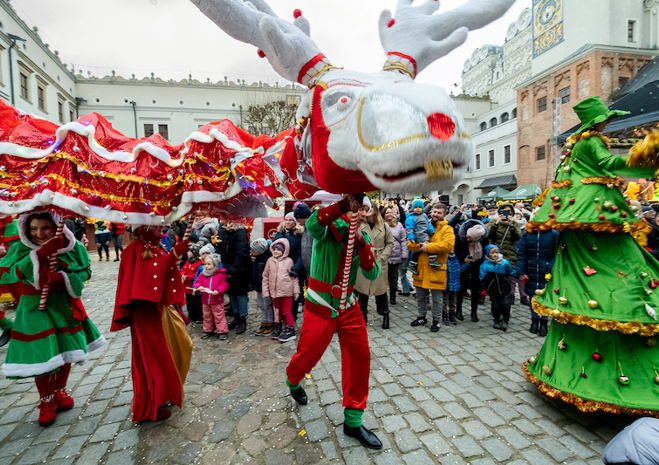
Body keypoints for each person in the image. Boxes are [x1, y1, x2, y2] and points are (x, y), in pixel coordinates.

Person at [523, 96, 659, 415]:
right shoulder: (592, 141)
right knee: (620, 266)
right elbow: (609, 164)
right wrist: (641, 158)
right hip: (595, 211)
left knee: (585, 271)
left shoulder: (573, 147)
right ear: (597, 121)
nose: (607, 123)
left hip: (582, 215)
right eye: (605, 119)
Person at [286, 194, 383, 449]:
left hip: (349, 308)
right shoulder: (328, 227)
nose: (361, 213)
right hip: (321, 306)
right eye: (357, 207)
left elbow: (373, 272)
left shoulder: (364, 236)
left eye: (365, 209)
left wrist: (362, 245)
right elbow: (312, 225)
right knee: (307, 355)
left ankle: (353, 421)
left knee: (360, 358)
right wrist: (341, 206)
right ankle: (292, 380)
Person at [0, 211, 106, 426]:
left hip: (62, 306)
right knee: (44, 354)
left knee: (64, 351)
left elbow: (85, 272)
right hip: (33, 309)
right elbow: (8, 274)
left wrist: (63, 278)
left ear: (57, 227)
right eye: (33, 228)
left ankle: (60, 390)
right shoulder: (20, 248)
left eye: (45, 228)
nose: (39, 234)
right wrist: (39, 255)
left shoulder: (73, 247)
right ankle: (46, 401)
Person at [112, 226, 193, 422]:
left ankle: (166, 392)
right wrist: (173, 255)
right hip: (147, 310)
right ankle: (149, 407)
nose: (161, 226)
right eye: (156, 223)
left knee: (178, 346)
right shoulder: (137, 248)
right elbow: (151, 277)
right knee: (153, 357)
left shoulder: (152, 246)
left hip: (160, 307)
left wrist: (173, 255)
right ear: (143, 227)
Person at [407, 203, 455, 332]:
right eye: (434, 212)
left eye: (439, 213)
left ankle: (436, 320)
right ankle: (421, 316)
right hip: (421, 267)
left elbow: (447, 245)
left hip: (436, 268)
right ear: (430, 212)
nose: (435, 214)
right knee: (420, 296)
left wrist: (428, 247)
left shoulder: (447, 229)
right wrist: (418, 246)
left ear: (444, 215)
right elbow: (410, 243)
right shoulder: (421, 222)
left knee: (437, 298)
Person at [516, 224, 559, 337]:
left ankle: (544, 321)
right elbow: (522, 253)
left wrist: (550, 266)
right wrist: (521, 271)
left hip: (547, 270)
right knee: (532, 295)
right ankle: (534, 320)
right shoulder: (527, 233)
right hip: (531, 269)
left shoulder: (553, 234)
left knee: (545, 295)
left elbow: (557, 252)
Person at [355, 206, 393, 329]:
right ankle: (363, 315)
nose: (366, 212)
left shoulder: (384, 226)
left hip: (378, 260)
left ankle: (386, 314)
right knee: (363, 290)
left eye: (369, 209)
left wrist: (382, 257)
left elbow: (390, 243)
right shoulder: (360, 225)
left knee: (381, 290)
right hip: (364, 259)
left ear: (375, 211)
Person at [263, 239, 300, 342]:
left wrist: (296, 291)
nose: (276, 251)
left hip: (286, 291)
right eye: (274, 249)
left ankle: (290, 329)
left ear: (284, 250)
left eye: (279, 249)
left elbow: (294, 277)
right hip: (275, 292)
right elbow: (265, 276)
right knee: (277, 311)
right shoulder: (270, 261)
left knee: (287, 311)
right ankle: (278, 327)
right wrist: (266, 291)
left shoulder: (289, 261)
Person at [218, 220, 251, 335]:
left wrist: (233, 270)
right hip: (229, 268)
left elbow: (242, 253)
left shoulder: (240, 232)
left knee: (240, 295)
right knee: (231, 293)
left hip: (240, 270)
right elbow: (224, 250)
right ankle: (236, 316)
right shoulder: (226, 231)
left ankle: (242, 318)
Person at [488, 202, 523, 304]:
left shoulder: (515, 224)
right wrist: (496, 223)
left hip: (510, 255)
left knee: (509, 280)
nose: (506, 214)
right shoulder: (494, 221)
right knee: (496, 279)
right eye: (504, 211)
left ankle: (507, 302)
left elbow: (517, 237)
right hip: (497, 255)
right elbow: (489, 234)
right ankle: (495, 303)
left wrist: (511, 225)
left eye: (509, 212)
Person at [455, 219, 488, 322]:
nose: (468, 239)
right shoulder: (460, 237)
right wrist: (464, 257)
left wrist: (478, 260)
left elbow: (485, 251)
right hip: (464, 265)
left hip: (477, 265)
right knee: (461, 288)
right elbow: (455, 249)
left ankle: (474, 312)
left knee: (475, 289)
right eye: (468, 237)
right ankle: (458, 310)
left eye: (471, 238)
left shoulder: (483, 238)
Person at [274, 212, 304, 320]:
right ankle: (281, 319)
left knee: (293, 296)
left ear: (295, 222)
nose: (287, 222)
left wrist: (296, 268)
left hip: (292, 269)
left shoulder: (298, 235)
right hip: (279, 269)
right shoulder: (279, 233)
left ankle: (292, 319)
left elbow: (300, 254)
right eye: (286, 219)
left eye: (290, 220)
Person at [194, 253, 230, 340]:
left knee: (219, 316)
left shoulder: (220, 274)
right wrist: (199, 287)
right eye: (205, 264)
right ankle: (208, 329)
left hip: (217, 300)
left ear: (215, 265)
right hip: (205, 300)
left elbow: (225, 284)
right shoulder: (202, 274)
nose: (206, 266)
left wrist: (218, 290)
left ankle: (222, 330)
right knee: (207, 316)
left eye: (209, 264)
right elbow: (197, 282)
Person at [480, 244, 516, 330]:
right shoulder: (484, 265)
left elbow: (511, 271)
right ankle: (496, 320)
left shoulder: (504, 263)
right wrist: (483, 289)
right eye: (492, 253)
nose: (495, 255)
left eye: (496, 252)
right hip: (493, 289)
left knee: (506, 304)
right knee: (495, 306)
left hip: (505, 288)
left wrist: (519, 274)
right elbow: (482, 278)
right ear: (488, 254)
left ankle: (505, 320)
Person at [383, 206, 408, 306]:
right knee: (383, 277)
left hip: (395, 255)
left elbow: (403, 240)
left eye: (391, 212)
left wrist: (404, 254)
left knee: (394, 276)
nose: (389, 214)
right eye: (387, 213)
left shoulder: (398, 225)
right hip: (383, 256)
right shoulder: (379, 225)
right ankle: (382, 296)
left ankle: (392, 296)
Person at [405, 199, 437, 274]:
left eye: (419, 207)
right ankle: (431, 260)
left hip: (424, 234)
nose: (418, 209)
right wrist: (411, 238)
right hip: (418, 235)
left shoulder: (424, 215)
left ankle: (413, 263)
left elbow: (428, 224)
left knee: (419, 251)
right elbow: (409, 229)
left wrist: (431, 230)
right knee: (427, 247)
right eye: (416, 207)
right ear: (412, 209)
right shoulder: (411, 218)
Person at [250, 238, 274, 336]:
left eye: (253, 250)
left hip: (265, 287)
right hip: (258, 286)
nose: (251, 251)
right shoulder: (256, 258)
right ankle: (264, 321)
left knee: (267, 305)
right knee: (261, 305)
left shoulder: (267, 259)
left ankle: (270, 322)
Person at [181, 243, 203, 324]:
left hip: (194, 288)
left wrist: (187, 276)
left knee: (197, 303)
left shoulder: (199, 263)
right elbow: (183, 269)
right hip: (187, 288)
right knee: (189, 303)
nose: (187, 253)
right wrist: (182, 274)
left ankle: (199, 317)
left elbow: (197, 275)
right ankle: (191, 316)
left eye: (189, 251)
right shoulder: (188, 262)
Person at [443, 247, 462, 325]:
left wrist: (467, 264)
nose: (451, 249)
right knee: (445, 301)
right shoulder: (444, 259)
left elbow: (460, 269)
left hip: (455, 285)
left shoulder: (456, 259)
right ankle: (444, 314)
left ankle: (452, 314)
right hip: (446, 285)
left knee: (453, 301)